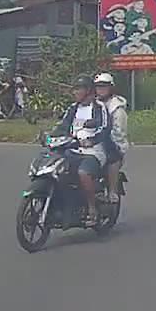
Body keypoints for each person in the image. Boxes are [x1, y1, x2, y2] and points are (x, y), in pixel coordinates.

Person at [52, 76, 109, 226]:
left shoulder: (99, 107)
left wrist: (91, 140)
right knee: (56, 171)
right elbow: (62, 126)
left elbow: (104, 128)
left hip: (93, 152)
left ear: (88, 91)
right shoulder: (73, 108)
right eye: (75, 89)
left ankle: (92, 208)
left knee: (83, 173)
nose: (75, 92)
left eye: (79, 89)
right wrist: (50, 136)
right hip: (72, 149)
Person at [93, 72, 128, 200]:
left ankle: (112, 191)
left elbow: (119, 132)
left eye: (104, 86)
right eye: (98, 86)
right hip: (90, 140)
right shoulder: (92, 103)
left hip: (112, 143)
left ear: (111, 88)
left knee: (112, 158)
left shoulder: (117, 108)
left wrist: (106, 141)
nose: (101, 89)